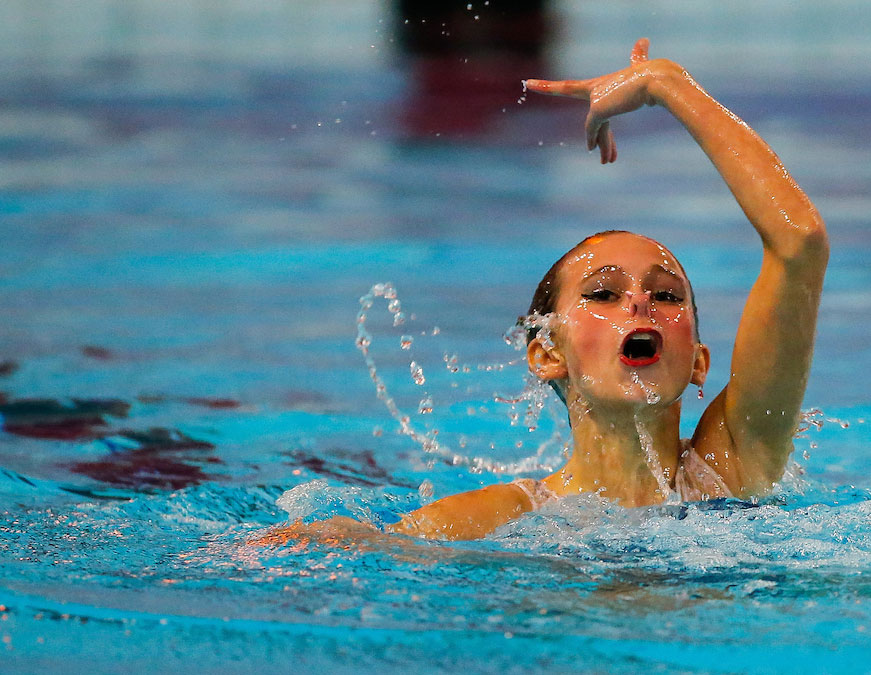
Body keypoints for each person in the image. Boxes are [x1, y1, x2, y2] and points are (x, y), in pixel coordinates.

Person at [262, 38, 827, 544]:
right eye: (603, 295)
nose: (639, 303)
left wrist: (667, 85)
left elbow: (798, 243)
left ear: (700, 361)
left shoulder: (731, 467)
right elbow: (364, 547)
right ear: (547, 353)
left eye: (668, 296)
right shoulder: (505, 518)